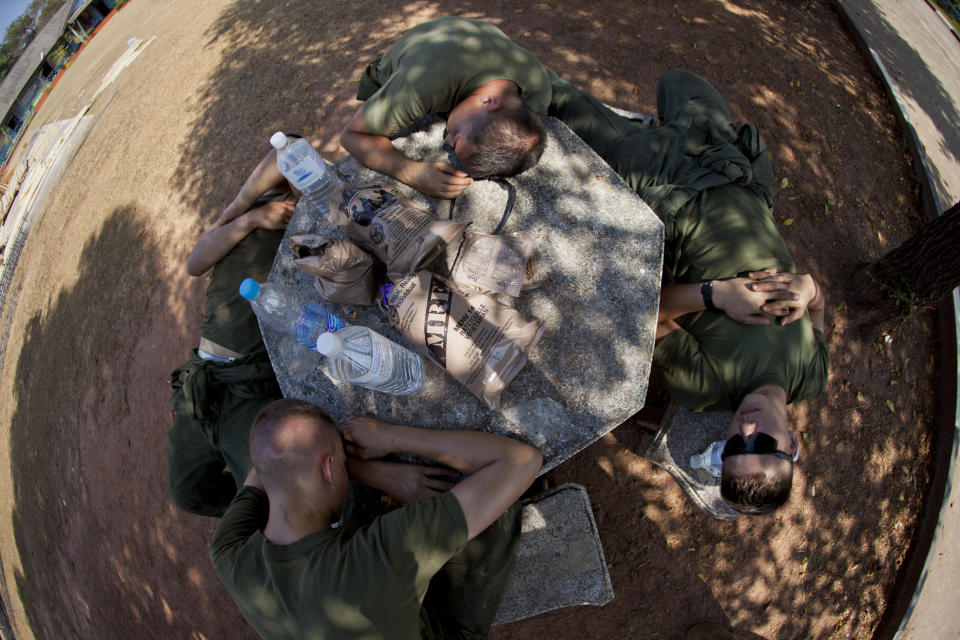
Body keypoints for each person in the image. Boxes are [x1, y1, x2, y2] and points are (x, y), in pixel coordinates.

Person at [547, 69, 828, 514]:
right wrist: (811, 290)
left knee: (548, 95)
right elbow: (819, 310)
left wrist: (716, 295)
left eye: (735, 443)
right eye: (762, 445)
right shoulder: (811, 377)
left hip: (668, 182)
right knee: (676, 81)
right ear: (791, 442)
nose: (746, 429)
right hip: (736, 172)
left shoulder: (704, 386)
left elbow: (645, 314)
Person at [209, 398, 543, 639]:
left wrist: (379, 474)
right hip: (435, 626)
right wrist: (392, 437)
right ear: (328, 468)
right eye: (342, 462)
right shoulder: (374, 561)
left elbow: (270, 458)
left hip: (353, 611)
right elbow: (520, 461)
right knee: (484, 495)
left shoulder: (228, 553)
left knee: (361, 497)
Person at [166, 146, 298, 517]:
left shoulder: (311, 204)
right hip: (204, 381)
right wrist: (249, 216)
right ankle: (247, 511)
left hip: (246, 388)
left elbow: (287, 150)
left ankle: (268, 519)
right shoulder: (248, 217)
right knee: (186, 492)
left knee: (278, 492)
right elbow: (194, 264)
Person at [340, 16, 551, 199]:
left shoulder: (538, 89)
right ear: (489, 103)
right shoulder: (420, 84)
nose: (446, 141)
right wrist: (410, 171)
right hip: (422, 48)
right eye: (456, 136)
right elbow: (352, 135)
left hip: (466, 40)